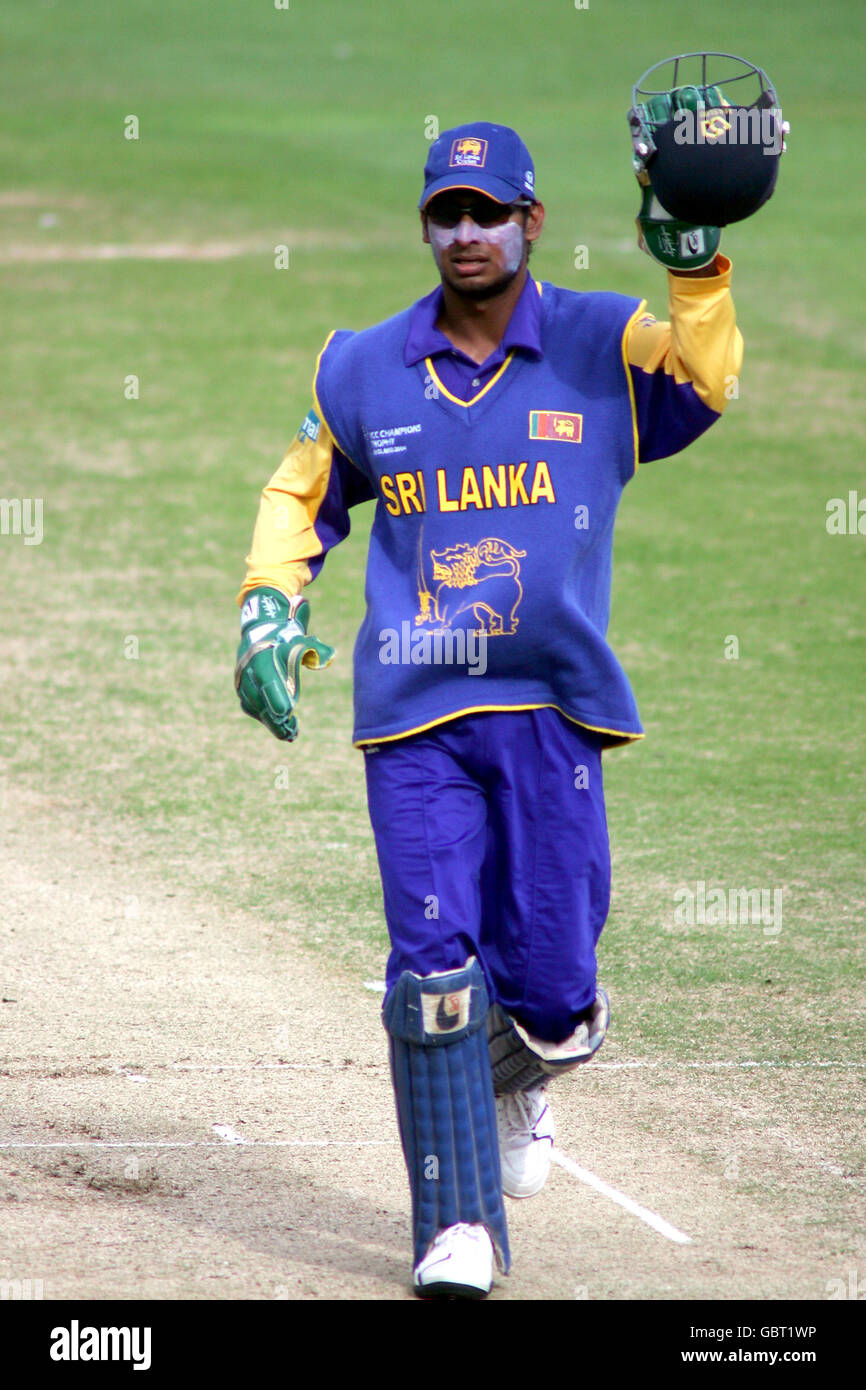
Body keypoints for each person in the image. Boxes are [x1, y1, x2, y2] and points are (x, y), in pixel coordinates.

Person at [234, 120, 742, 1299]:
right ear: (425, 224)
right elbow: (300, 489)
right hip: (412, 710)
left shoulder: (598, 342)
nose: (463, 233)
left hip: (553, 706)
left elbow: (706, 382)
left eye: (486, 211)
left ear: (530, 222)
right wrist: (266, 604)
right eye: (444, 212)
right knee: (432, 972)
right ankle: (455, 1227)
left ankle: (520, 1069)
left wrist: (696, 266)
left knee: (557, 997)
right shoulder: (362, 365)